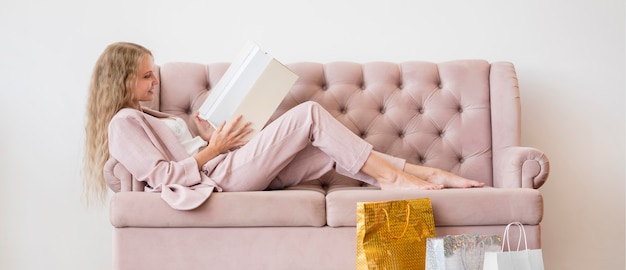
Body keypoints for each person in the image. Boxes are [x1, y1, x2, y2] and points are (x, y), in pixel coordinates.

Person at [83, 42, 483, 209]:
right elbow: (163, 176)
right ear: (122, 81)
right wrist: (214, 149)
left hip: (225, 164)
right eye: (146, 76)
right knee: (309, 114)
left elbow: (184, 155)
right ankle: (394, 181)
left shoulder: (151, 116)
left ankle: (416, 173)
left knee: (323, 151)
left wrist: (209, 137)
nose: (155, 83)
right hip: (217, 180)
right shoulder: (123, 123)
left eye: (153, 75)